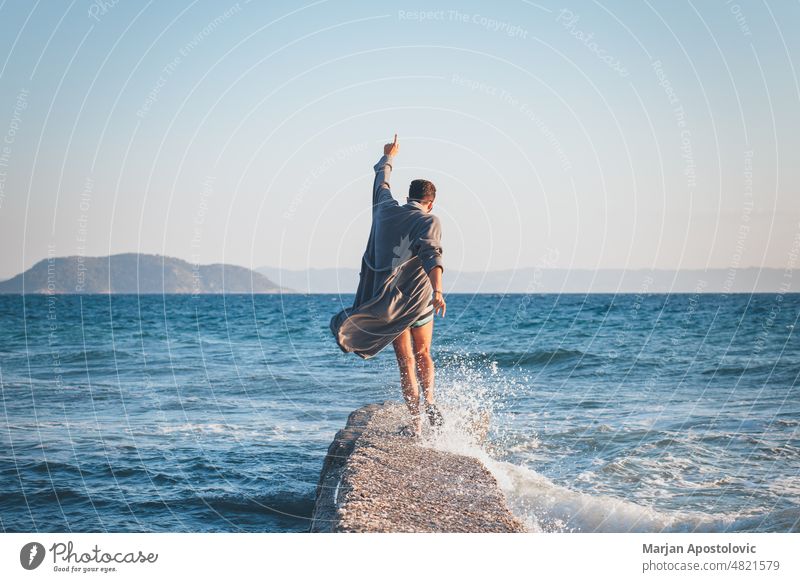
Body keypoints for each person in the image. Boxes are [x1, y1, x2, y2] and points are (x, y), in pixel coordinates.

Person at [329, 134, 446, 437]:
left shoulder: (385, 208)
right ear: (430, 202)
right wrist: (437, 290)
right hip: (419, 302)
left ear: (410, 196)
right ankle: (430, 399)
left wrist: (388, 156)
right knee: (423, 354)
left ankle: (417, 423)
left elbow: (381, 181)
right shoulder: (429, 221)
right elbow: (432, 254)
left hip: (389, 306)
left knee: (405, 360)